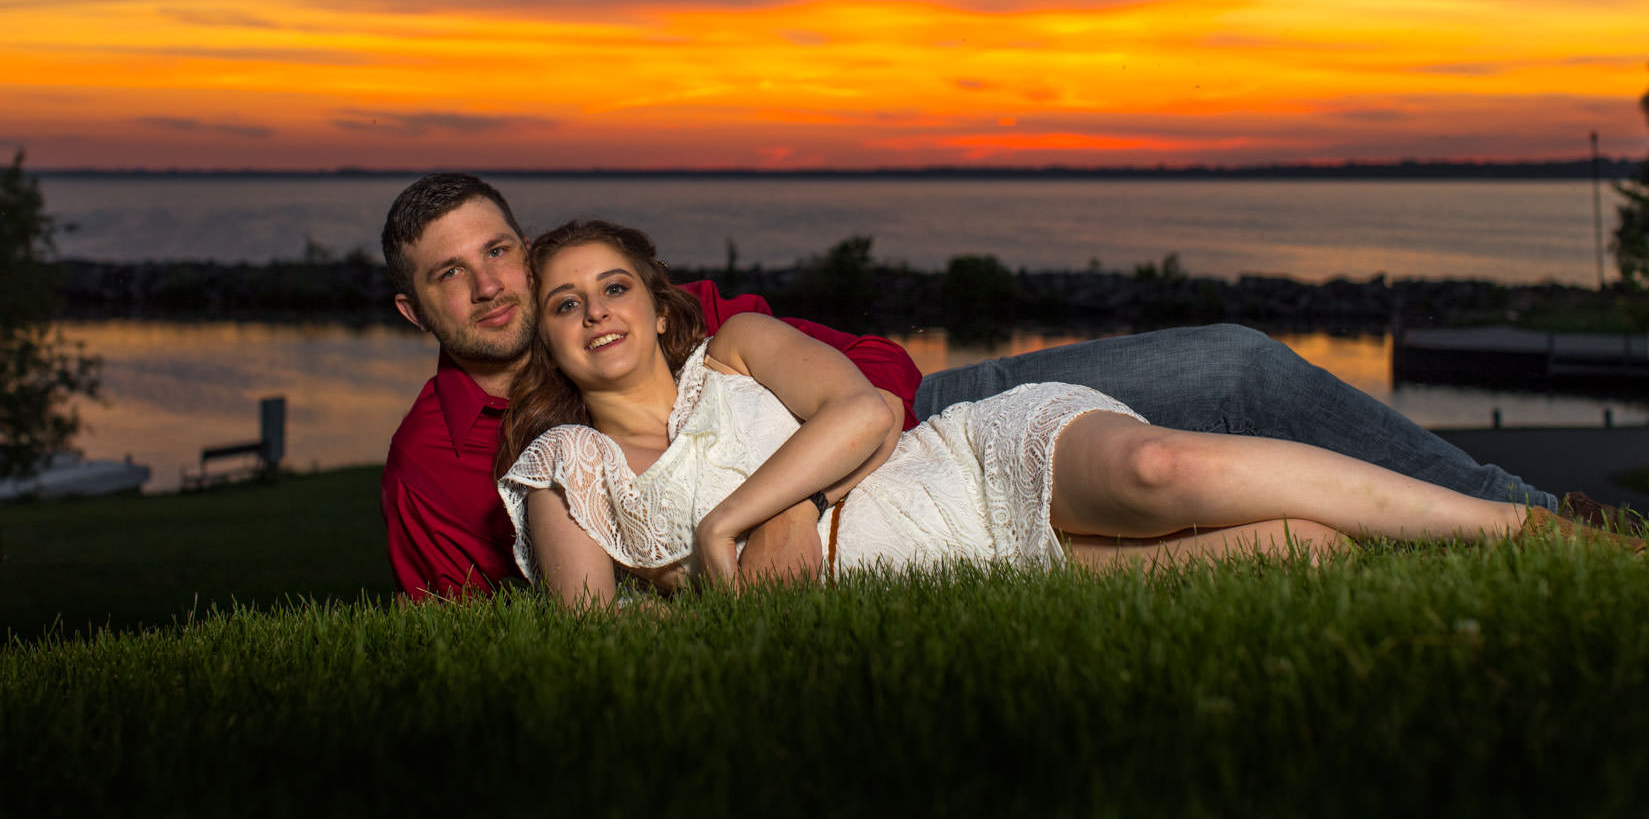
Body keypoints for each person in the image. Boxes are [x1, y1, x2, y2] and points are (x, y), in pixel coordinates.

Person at [379, 172, 1571, 601]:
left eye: (500, 252)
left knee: (1234, 364)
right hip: (875, 513)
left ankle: (1539, 520)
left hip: (930, 418)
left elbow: (874, 386)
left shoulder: (698, 331)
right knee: (1287, 548)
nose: (489, 284)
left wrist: (778, 486)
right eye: (451, 273)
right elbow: (499, 619)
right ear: (413, 308)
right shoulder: (451, 457)